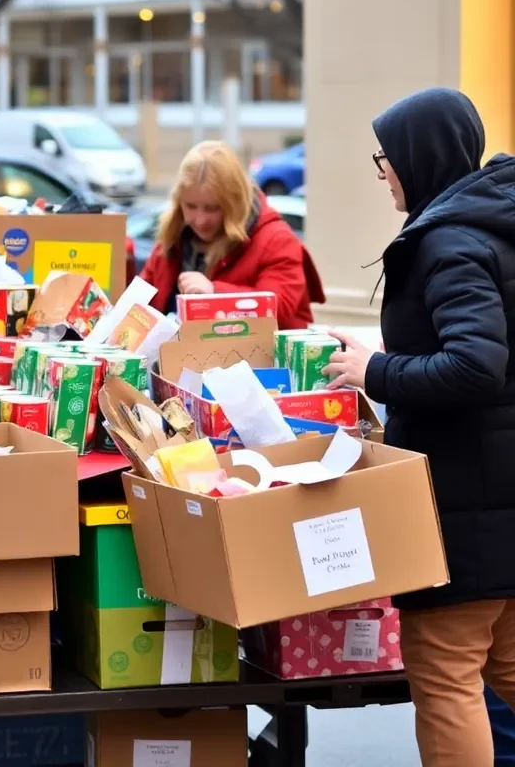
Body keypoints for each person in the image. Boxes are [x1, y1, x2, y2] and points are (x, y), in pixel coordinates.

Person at [324, 88, 515, 767]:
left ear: (418, 155)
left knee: (446, 680)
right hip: (498, 501)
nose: (383, 173)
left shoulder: (450, 243)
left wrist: (377, 371)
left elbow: (474, 366)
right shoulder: (492, 224)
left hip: (466, 510)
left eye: (387, 157)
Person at [141, 140, 324, 327]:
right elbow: (140, 306)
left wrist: (215, 294)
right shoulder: (172, 238)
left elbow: (279, 312)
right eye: (190, 206)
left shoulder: (277, 241)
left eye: (213, 208)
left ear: (234, 203)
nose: (200, 219)